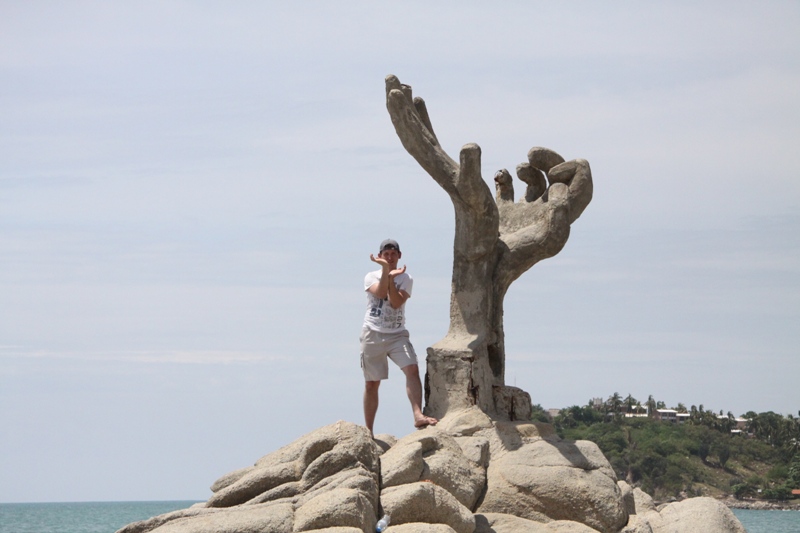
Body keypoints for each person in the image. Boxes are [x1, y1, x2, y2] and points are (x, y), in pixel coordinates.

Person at [361, 239, 438, 436]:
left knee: (412, 368)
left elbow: (395, 303)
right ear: (380, 256)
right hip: (373, 333)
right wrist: (386, 273)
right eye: (386, 254)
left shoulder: (406, 278)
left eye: (393, 254)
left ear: (399, 256)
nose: (390, 257)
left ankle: (418, 415)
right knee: (372, 383)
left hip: (397, 334)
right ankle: (369, 431)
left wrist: (392, 278)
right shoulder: (370, 276)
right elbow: (380, 294)